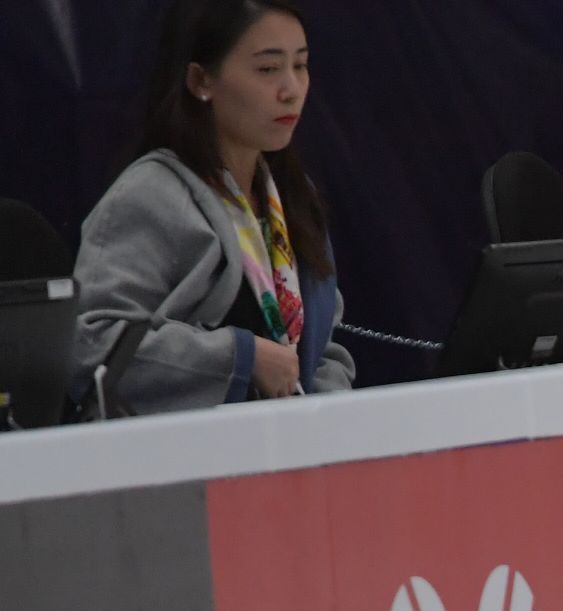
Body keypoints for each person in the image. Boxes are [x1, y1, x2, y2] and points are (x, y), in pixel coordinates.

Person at [71, 0, 352, 415]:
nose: (291, 89)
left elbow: (322, 348)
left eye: (301, 65)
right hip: (179, 463)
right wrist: (241, 358)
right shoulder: (149, 196)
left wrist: (331, 421)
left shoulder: (291, 195)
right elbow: (92, 344)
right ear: (201, 79)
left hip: (288, 455)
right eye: (268, 69)